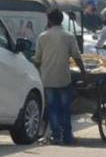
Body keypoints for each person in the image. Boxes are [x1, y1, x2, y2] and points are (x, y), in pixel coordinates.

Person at [34, 9, 86, 145]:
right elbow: (76, 56)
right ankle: (68, 137)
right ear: (62, 20)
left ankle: (56, 136)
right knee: (65, 108)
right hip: (63, 78)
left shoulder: (42, 36)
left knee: (53, 108)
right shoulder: (68, 36)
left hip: (48, 78)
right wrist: (83, 72)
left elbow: (37, 59)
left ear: (49, 20)